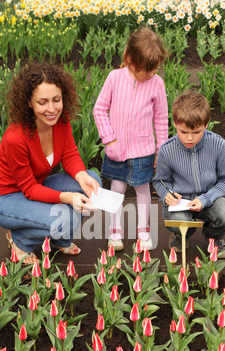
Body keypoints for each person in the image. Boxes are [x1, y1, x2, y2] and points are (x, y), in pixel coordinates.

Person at [0, 61, 101, 264]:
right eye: (43, 102)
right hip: (6, 199)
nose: (52, 109)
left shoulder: (60, 119)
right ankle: (19, 241)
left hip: (35, 186)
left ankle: (60, 239)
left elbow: (69, 154)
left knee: (93, 182)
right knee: (65, 218)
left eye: (56, 100)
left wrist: (82, 176)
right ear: (29, 103)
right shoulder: (16, 137)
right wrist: (66, 197)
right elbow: (29, 189)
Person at [93, 27, 169, 251]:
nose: (153, 74)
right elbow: (99, 110)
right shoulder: (115, 78)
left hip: (143, 150)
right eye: (148, 70)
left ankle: (144, 233)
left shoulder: (157, 84)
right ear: (130, 61)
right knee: (117, 187)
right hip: (116, 150)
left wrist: (160, 150)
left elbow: (161, 119)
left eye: (156, 69)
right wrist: (110, 140)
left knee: (143, 189)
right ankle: (114, 233)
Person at [153, 90, 225, 259]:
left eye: (197, 132)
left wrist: (206, 199)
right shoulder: (167, 150)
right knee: (176, 221)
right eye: (183, 132)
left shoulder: (218, 145)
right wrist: (167, 194)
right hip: (181, 202)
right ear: (175, 123)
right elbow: (160, 181)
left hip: (210, 200)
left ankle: (214, 237)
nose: (190, 139)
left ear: (206, 124)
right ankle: (180, 235)